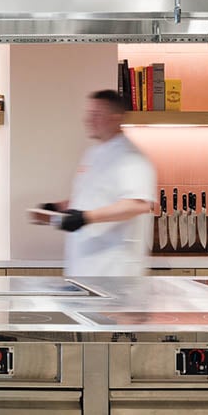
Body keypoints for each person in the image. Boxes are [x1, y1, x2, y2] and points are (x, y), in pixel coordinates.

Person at [29, 89, 156, 277]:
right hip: (84, 266)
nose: (88, 120)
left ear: (115, 117)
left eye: (96, 114)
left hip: (113, 270)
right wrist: (57, 208)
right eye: (88, 114)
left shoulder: (130, 157)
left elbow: (137, 204)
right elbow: (91, 197)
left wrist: (85, 217)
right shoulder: (94, 154)